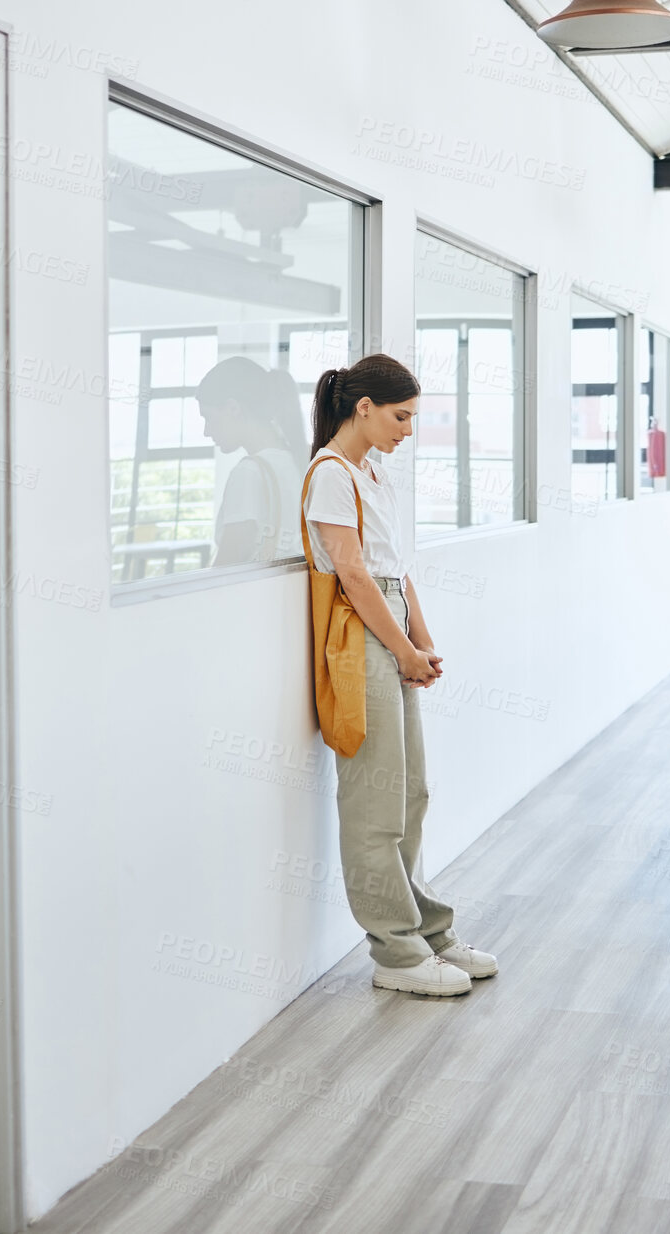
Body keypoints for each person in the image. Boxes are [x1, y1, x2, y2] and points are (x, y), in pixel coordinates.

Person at [300, 353, 498, 997]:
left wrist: (423, 638)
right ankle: (395, 951)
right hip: (361, 635)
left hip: (391, 623)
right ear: (364, 409)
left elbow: (395, 565)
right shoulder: (331, 473)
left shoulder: (373, 472)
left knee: (409, 794)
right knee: (374, 802)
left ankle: (427, 931)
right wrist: (401, 646)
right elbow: (354, 576)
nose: (407, 429)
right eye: (401, 416)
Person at [197, 357, 305, 567]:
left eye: (208, 418)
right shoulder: (296, 460)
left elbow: (229, 562)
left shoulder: (249, 472)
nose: (206, 431)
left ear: (233, 408)